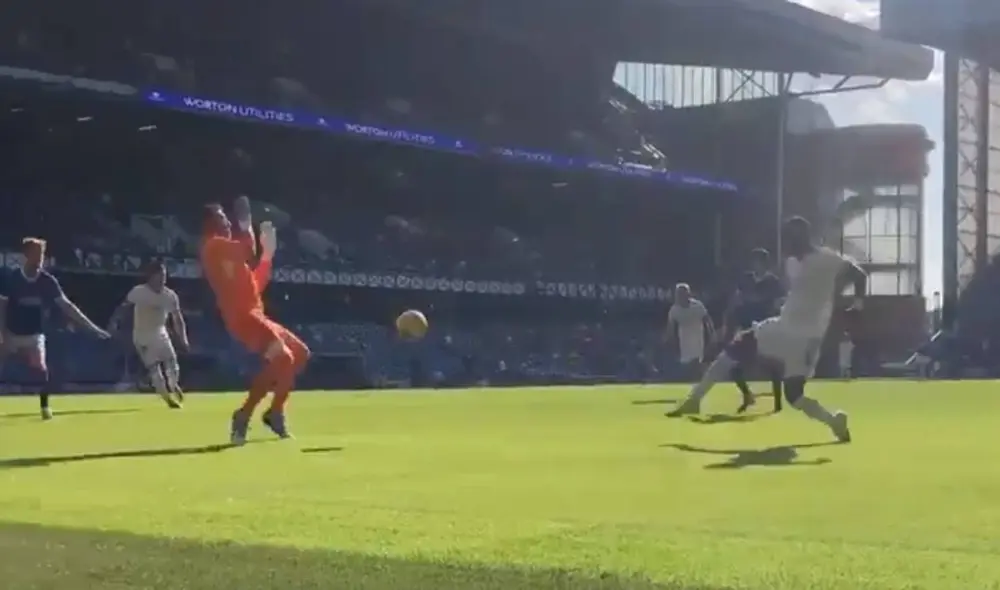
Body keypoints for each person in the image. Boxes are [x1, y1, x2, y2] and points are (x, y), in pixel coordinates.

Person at [669, 217, 862, 443]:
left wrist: (857, 304)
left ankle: (834, 421)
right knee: (738, 348)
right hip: (791, 329)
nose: (785, 243)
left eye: (789, 238)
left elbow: (859, 274)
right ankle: (695, 400)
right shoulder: (792, 263)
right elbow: (802, 293)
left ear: (801, 236)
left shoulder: (826, 258)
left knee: (794, 395)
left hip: (802, 335)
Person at [200, 197, 310, 444]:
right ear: (209, 224)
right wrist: (246, 222)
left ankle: (273, 412)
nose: (227, 222)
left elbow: (255, 286)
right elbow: (248, 248)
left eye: (227, 218)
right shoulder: (214, 246)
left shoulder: (225, 254)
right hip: (243, 316)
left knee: (300, 354)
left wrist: (267, 257)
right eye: (221, 218)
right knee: (284, 359)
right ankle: (247, 414)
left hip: (254, 313)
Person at [0, 237, 110, 419]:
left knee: (41, 370)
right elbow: (1, 307)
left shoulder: (47, 281)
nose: (40, 258)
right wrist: (2, 335)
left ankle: (44, 406)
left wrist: (93, 328)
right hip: (10, 332)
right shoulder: (12, 279)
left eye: (42, 254)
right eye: (36, 253)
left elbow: (67, 306)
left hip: (34, 334)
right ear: (26, 255)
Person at [108, 261, 189, 408]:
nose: (162, 279)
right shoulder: (138, 292)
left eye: (164, 276)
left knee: (172, 363)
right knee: (154, 368)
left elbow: (178, 319)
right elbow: (123, 308)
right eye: (159, 276)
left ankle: (173, 385)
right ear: (151, 277)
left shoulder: (169, 296)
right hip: (142, 335)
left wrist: (183, 338)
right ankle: (167, 399)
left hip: (160, 332)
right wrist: (114, 322)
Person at [723, 249, 786, 413]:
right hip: (747, 329)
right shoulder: (746, 279)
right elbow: (736, 300)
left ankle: (778, 404)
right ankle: (747, 395)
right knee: (734, 368)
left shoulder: (773, 281)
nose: (754, 264)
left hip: (766, 328)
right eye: (753, 261)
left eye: (757, 261)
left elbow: (779, 304)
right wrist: (732, 321)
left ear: (765, 263)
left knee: (772, 366)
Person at [665, 284, 714, 379]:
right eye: (678, 294)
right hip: (684, 341)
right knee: (687, 364)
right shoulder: (674, 310)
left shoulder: (698, 306)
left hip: (698, 338)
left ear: (688, 294)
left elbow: (707, 320)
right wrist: (668, 340)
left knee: (698, 362)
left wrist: (712, 334)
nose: (680, 296)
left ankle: (702, 379)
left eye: (682, 293)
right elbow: (670, 327)